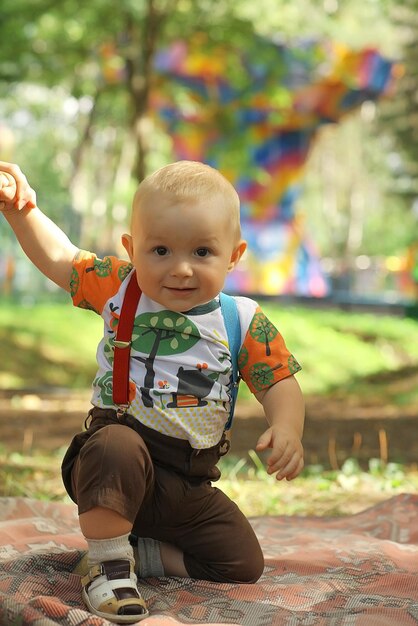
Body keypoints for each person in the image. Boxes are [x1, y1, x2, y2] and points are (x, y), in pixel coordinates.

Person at [0, 160, 305, 624]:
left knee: (242, 562)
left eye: (202, 252)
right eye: (160, 250)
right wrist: (23, 211)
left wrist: (286, 428)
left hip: (187, 481)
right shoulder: (121, 289)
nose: (180, 269)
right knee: (118, 444)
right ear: (131, 248)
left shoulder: (243, 321)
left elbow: (279, 381)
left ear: (234, 255)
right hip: (112, 461)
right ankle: (107, 565)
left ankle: (139, 557)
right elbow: (61, 258)